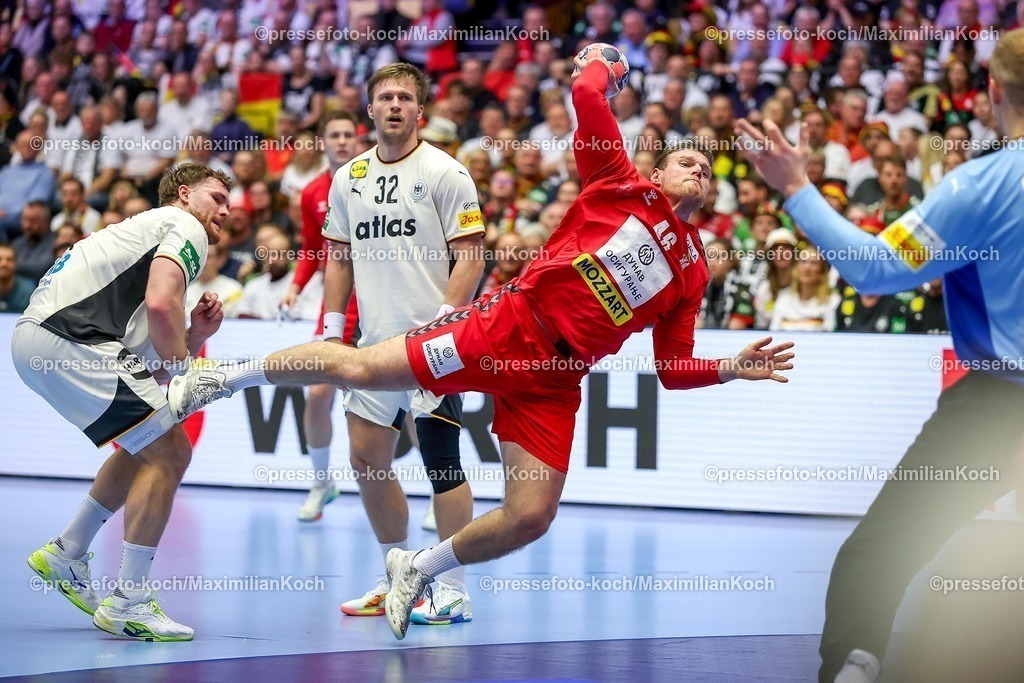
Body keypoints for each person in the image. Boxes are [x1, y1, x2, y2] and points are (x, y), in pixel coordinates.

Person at [168, 52, 795, 641]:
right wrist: (610, 60)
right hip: (505, 329)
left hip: (556, 379)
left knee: (531, 515)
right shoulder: (618, 182)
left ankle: (423, 568)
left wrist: (727, 368)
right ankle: (217, 378)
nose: (701, 173)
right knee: (359, 367)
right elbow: (585, 88)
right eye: (689, 163)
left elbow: (672, 370)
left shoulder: (692, 272)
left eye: (708, 172)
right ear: (657, 174)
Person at [734, 27, 1024, 683]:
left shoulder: (980, 186)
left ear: (991, 92)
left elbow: (876, 268)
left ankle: (854, 667)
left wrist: (797, 187)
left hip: (1001, 404)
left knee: (877, 556)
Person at [14, 163, 231, 641]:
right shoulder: (182, 225)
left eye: (229, 204)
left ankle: (66, 552)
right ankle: (129, 602)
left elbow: (144, 369)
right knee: (171, 451)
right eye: (216, 197)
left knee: (147, 443)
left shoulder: (140, 241)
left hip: (40, 342)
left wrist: (193, 335)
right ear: (184, 194)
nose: (225, 210)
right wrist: (188, 373)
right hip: (72, 338)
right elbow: (160, 305)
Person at [306, 64, 485, 625]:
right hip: (373, 345)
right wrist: (334, 332)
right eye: (385, 97)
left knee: (443, 462)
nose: (394, 106)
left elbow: (472, 254)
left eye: (405, 97)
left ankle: (451, 586)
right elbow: (337, 254)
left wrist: (441, 324)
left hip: (432, 344)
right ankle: (396, 576)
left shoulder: (446, 171)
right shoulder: (348, 176)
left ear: (419, 111)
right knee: (366, 458)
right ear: (370, 110)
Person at [279, 112, 359, 522]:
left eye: (349, 134)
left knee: (412, 399)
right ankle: (321, 482)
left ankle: (437, 492)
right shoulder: (311, 192)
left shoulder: (375, 181)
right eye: (335, 135)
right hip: (337, 309)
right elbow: (311, 249)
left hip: (385, 306)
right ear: (323, 143)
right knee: (317, 395)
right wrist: (295, 286)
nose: (342, 141)